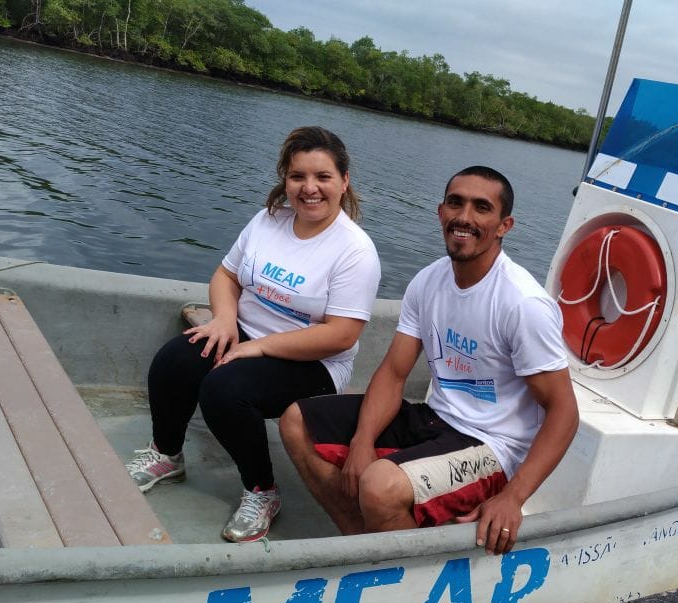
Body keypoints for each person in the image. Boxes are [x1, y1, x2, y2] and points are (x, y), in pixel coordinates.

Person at [279, 166, 578, 555]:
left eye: (481, 208)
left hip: (492, 445)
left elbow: (563, 412)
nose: (464, 217)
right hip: (436, 419)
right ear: (441, 212)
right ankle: (365, 547)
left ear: (504, 225)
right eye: (456, 203)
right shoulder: (428, 281)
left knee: (379, 485)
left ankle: (400, 574)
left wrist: (513, 498)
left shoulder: (521, 303)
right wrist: (362, 441)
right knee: (296, 422)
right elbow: (393, 371)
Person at [125, 126, 381, 543]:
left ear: (344, 182)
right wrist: (224, 319)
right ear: (285, 179)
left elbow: (341, 335)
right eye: (298, 176)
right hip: (246, 334)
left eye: (323, 177)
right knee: (175, 360)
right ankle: (167, 455)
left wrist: (256, 348)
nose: (309, 188)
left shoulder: (354, 251)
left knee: (224, 390)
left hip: (311, 360)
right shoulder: (269, 219)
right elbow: (226, 275)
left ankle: (262, 491)